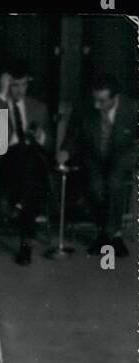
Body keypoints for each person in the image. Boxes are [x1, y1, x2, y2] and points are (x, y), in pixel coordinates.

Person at [63, 74, 135, 257]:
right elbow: (73, 135)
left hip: (122, 155)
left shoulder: (131, 109)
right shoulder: (84, 107)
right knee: (95, 187)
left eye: (102, 101)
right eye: (95, 99)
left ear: (115, 98)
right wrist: (65, 151)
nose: (96, 105)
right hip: (94, 156)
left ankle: (110, 234)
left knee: (114, 182)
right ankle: (110, 234)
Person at [0, 64, 53, 265]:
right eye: (14, 85)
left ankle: (20, 208)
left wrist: (40, 136)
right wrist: (1, 93)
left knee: (30, 164)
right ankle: (25, 235)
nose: (19, 90)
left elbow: (50, 144)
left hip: (33, 164)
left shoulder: (38, 107)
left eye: (23, 85)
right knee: (26, 160)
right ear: (7, 84)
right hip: (6, 161)